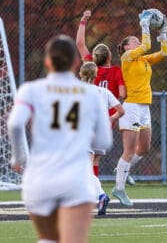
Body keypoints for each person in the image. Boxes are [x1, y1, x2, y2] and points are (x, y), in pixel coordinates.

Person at [8, 34, 112, 243]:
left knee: (47, 238)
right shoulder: (92, 94)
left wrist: (17, 158)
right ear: (76, 62)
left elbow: (15, 124)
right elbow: (103, 141)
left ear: (47, 61)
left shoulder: (31, 90)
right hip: (74, 177)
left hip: (40, 177)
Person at [112, 10, 167, 207]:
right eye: (133, 41)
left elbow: (163, 53)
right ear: (126, 47)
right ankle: (119, 188)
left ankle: (122, 169)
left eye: (138, 40)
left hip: (144, 107)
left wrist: (163, 34)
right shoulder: (127, 57)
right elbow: (146, 45)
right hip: (132, 106)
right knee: (128, 150)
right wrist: (144, 26)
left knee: (144, 148)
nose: (137, 43)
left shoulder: (143, 60)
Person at [76, 11, 135, 186]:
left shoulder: (91, 66)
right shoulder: (117, 71)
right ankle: (94, 189)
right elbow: (123, 94)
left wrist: (83, 21)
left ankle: (88, 188)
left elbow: (80, 43)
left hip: (87, 118)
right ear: (109, 56)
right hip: (106, 119)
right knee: (94, 159)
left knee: (84, 155)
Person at [79, 61, 124, 215]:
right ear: (96, 75)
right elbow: (121, 110)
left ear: (81, 74)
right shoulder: (104, 92)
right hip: (101, 134)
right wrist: (111, 119)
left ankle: (101, 196)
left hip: (86, 133)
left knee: (85, 170)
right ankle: (90, 197)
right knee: (86, 169)